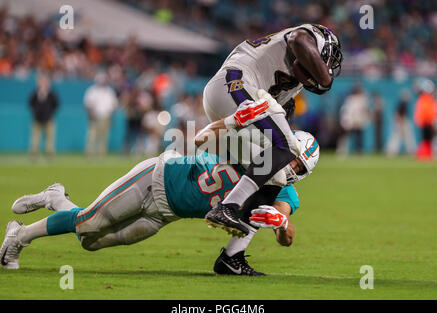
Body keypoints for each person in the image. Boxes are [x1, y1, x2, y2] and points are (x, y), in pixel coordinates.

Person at [1, 129, 319, 276]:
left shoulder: (284, 193)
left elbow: (285, 231)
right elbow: (228, 127)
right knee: (89, 222)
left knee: (90, 242)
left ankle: (56, 198)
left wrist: (282, 226)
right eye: (290, 160)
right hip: (157, 178)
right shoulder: (255, 150)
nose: (290, 169)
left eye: (299, 168)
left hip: (165, 215)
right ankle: (20, 236)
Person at [202, 23, 341, 237]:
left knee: (274, 174)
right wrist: (325, 81)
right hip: (234, 84)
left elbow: (280, 109)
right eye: (328, 61)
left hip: (232, 97)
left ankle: (233, 255)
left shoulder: (293, 83)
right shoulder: (307, 35)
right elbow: (298, 39)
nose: (327, 67)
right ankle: (227, 207)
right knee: (287, 145)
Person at [83, 72, 118, 157]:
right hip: (94, 117)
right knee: (92, 136)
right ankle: (89, 153)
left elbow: (114, 105)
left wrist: (111, 114)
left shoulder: (109, 91)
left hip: (105, 117)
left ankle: (101, 154)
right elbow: (87, 104)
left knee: (104, 137)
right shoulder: (92, 90)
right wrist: (91, 113)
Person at [28, 74, 59, 159]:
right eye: (41, 82)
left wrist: (50, 113)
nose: (43, 84)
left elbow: (56, 104)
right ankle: (34, 154)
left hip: (48, 118)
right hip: (37, 118)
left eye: (45, 82)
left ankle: (49, 154)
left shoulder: (51, 94)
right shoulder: (35, 93)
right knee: (35, 138)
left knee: (50, 138)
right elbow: (30, 103)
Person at [337, 86, 369, 154]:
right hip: (350, 121)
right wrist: (346, 121)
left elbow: (364, 111)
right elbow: (346, 111)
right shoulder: (351, 99)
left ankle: (358, 151)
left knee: (359, 138)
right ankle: (342, 151)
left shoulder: (362, 99)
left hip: (358, 121)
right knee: (345, 137)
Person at [386, 90, 416, 156]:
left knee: (404, 137)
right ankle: (391, 151)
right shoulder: (402, 103)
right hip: (402, 122)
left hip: (401, 121)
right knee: (399, 137)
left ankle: (392, 151)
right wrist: (400, 123)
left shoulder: (402, 103)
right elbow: (398, 114)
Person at [413, 79, 436, 160]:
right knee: (427, 139)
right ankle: (426, 154)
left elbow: (428, 112)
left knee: (428, 139)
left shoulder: (426, 99)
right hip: (427, 122)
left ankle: (426, 154)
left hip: (428, 122)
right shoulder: (425, 99)